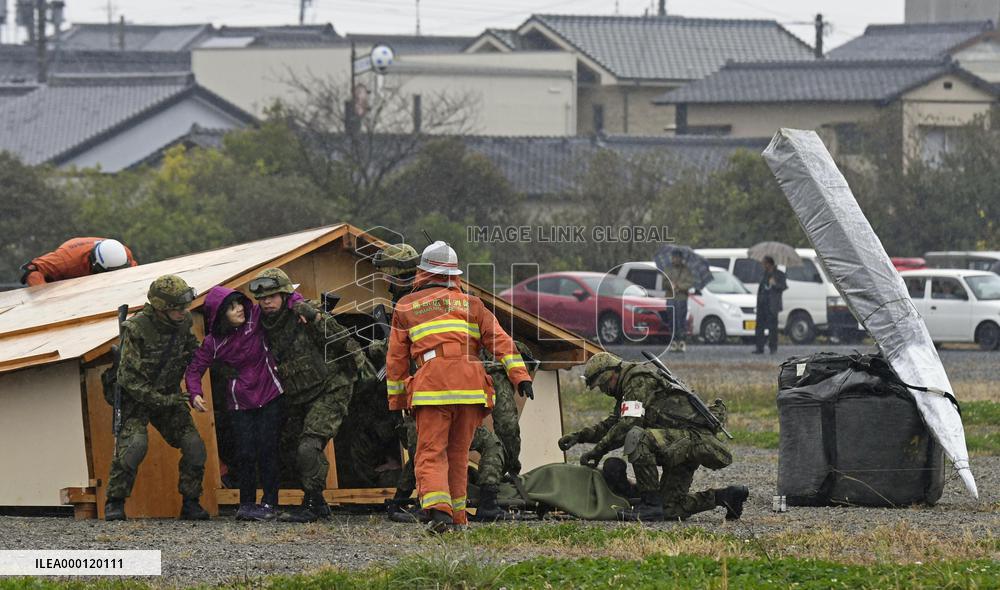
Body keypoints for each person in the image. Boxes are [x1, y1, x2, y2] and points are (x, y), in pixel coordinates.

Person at [386, 241, 533, 533]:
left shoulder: (406, 306)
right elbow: (501, 341)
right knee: (458, 454)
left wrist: (398, 403)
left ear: (422, 273)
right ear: (455, 274)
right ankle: (457, 518)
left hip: (433, 388)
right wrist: (521, 376)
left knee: (430, 453)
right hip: (470, 387)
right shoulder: (472, 304)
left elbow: (396, 361)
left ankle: (438, 513)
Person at [558, 352, 748, 522]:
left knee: (638, 437)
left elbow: (628, 424)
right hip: (680, 443)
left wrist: (598, 451)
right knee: (669, 509)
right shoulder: (628, 388)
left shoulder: (637, 380)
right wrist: (579, 436)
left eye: (603, 385)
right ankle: (725, 497)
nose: (604, 391)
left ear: (611, 375)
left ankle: (649, 504)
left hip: (693, 441)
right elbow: (613, 424)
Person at [184, 286, 300, 521]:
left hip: (270, 395)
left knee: (269, 449)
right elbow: (194, 369)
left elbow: (288, 296)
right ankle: (246, 504)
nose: (239, 309)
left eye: (239, 304)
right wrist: (195, 393)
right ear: (219, 314)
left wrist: (302, 306)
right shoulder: (213, 342)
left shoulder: (255, 318)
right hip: (240, 403)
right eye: (232, 307)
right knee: (245, 453)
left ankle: (270, 503)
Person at [251, 268, 356, 522]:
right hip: (298, 395)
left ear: (285, 294)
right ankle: (317, 503)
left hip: (330, 388)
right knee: (285, 446)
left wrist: (318, 319)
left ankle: (311, 502)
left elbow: (342, 341)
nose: (266, 301)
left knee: (308, 447)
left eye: (272, 296)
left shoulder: (304, 312)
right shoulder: (259, 323)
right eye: (262, 298)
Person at [104, 275, 208, 521]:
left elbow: (194, 352)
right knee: (133, 447)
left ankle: (191, 503)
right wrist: (166, 400)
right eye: (178, 307)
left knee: (194, 446)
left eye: (185, 306)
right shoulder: (137, 329)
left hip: (168, 396)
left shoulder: (183, 323)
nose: (184, 311)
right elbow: (129, 379)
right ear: (162, 308)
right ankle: (115, 502)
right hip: (136, 400)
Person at [20, 237, 137, 286]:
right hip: (62, 290)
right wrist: (48, 301)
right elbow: (32, 270)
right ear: (95, 265)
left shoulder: (124, 255)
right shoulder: (66, 259)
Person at [754, 256, 787, 354]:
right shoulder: (764, 274)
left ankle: (773, 348)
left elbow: (783, 286)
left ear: (769, 264)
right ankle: (759, 348)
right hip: (762, 304)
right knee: (759, 326)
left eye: (764, 263)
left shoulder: (779, 274)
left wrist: (775, 284)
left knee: (772, 328)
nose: (763, 265)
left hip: (772, 305)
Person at [665, 252, 695, 352]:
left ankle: (681, 341)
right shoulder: (667, 269)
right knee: (671, 320)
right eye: (674, 257)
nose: (675, 259)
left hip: (682, 298)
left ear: (681, 258)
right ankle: (673, 342)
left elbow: (689, 283)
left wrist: (679, 286)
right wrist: (671, 285)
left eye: (677, 257)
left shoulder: (686, 270)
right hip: (670, 297)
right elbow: (664, 282)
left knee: (681, 320)